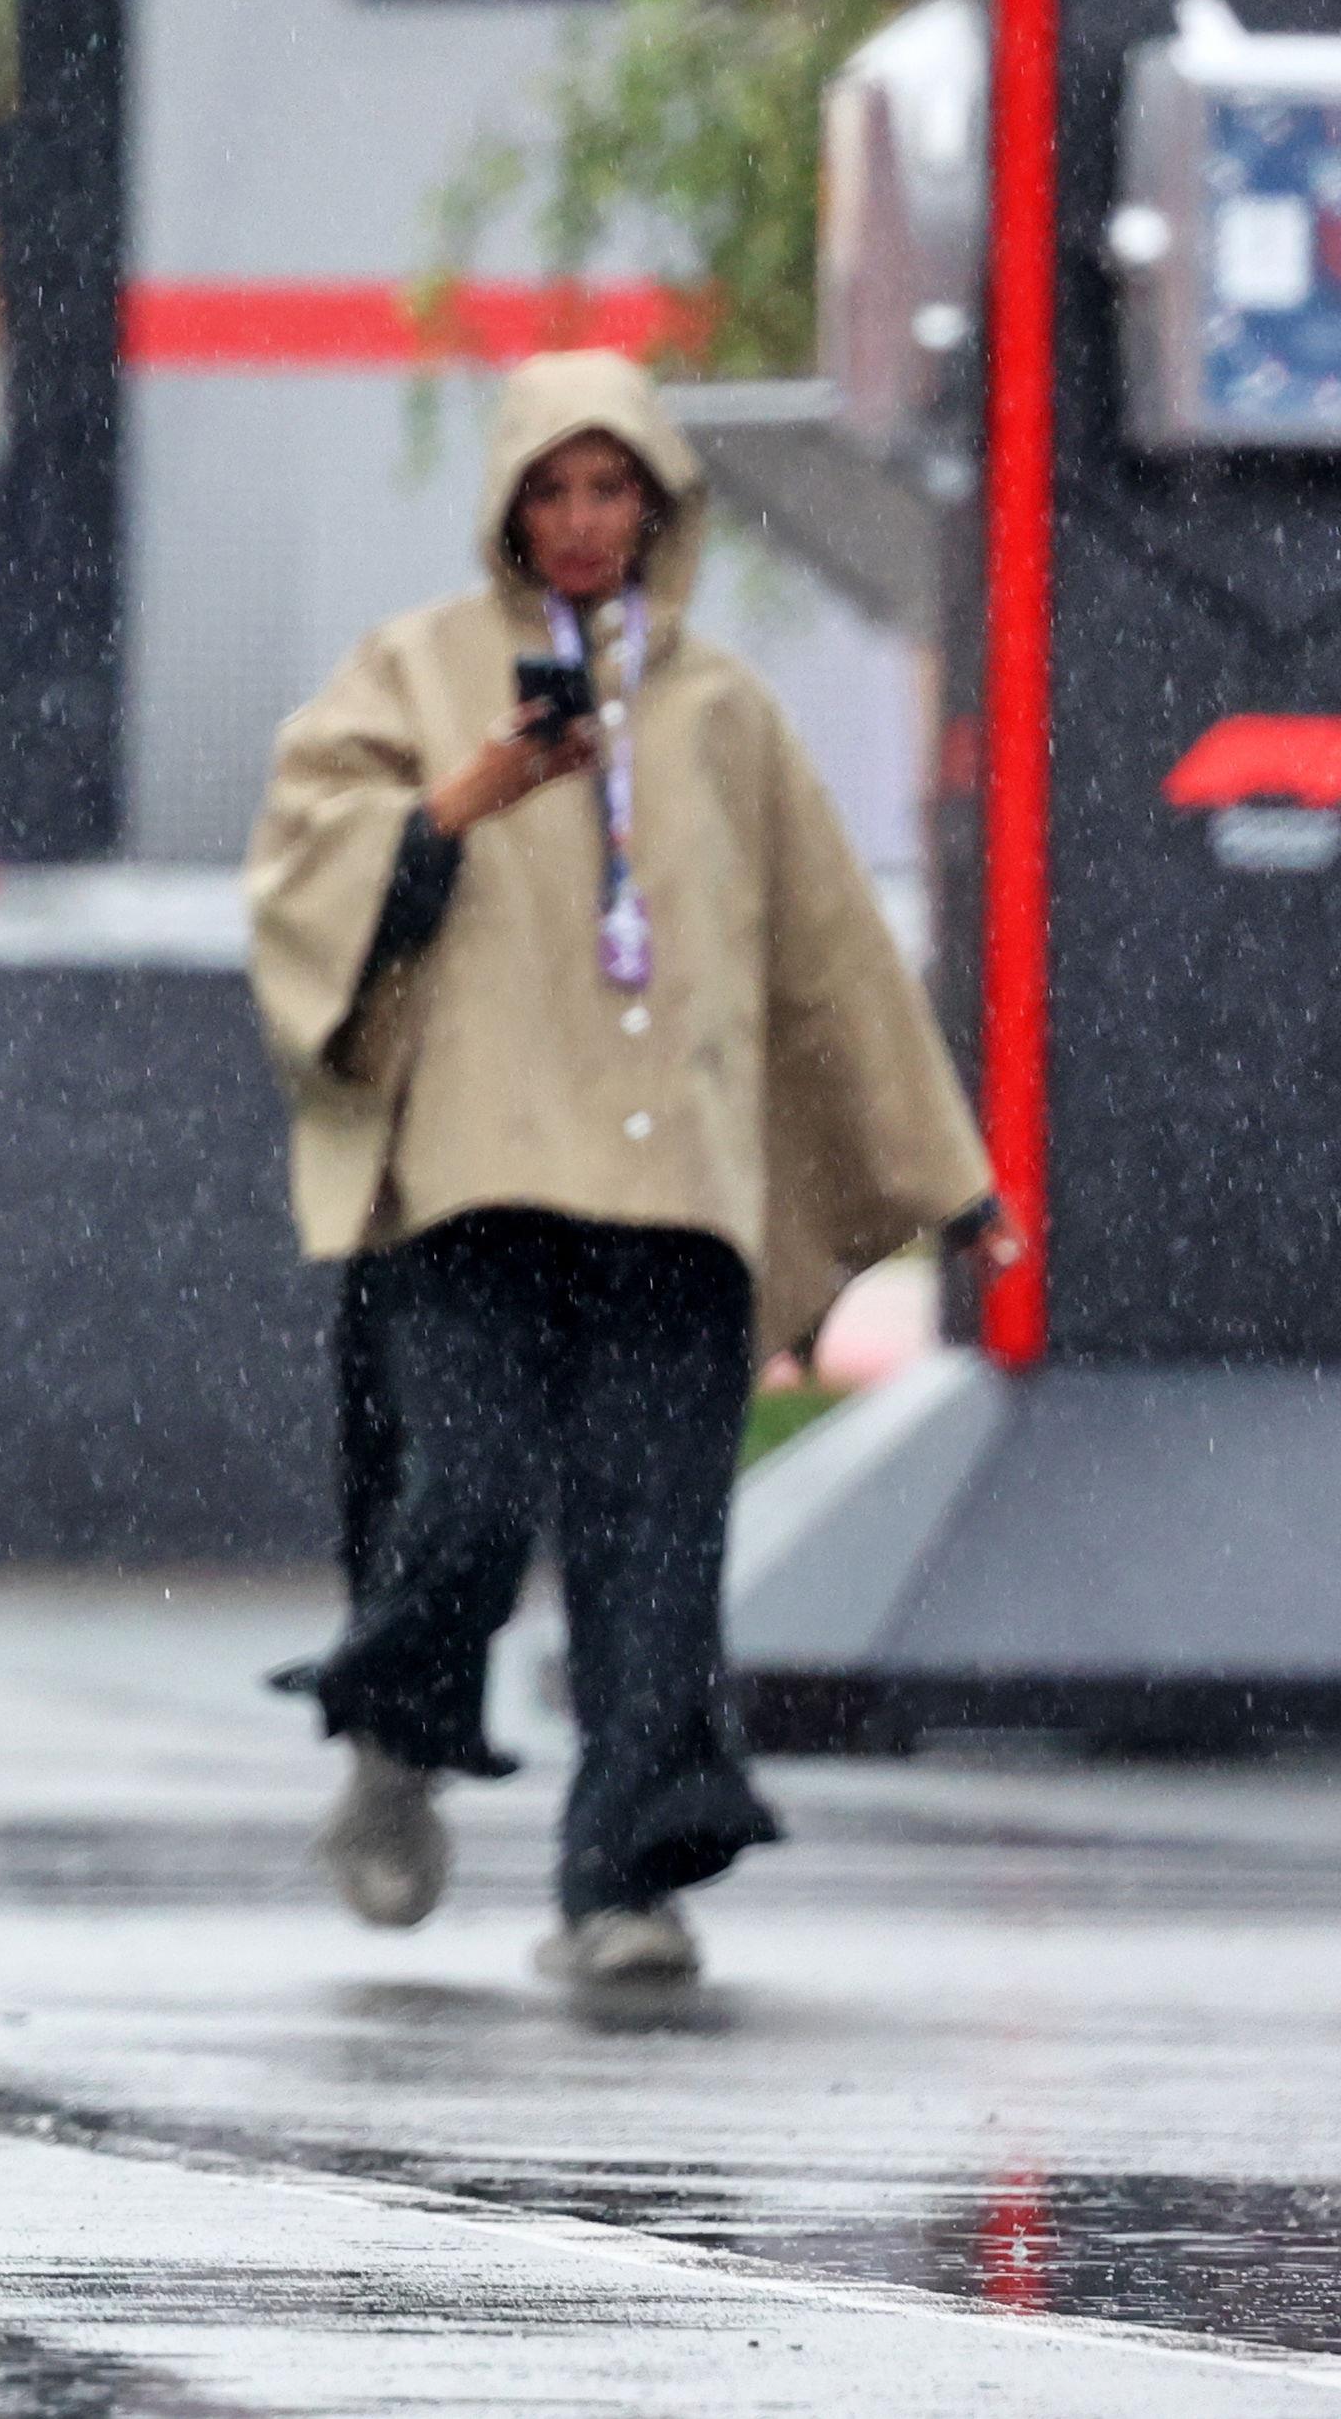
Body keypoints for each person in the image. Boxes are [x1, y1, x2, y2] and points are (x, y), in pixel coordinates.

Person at [245, 351, 992, 1989]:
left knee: (659, 1553)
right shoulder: (416, 670)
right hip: (473, 1183)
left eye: (613, 491)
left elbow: (828, 960)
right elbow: (304, 877)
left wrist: (941, 1168)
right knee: (465, 1500)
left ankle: (623, 1881)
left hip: (674, 1196)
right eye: (554, 490)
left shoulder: (723, 711)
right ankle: (397, 1742)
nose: (584, 524)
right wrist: (460, 802)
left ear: (658, 507)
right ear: (510, 505)